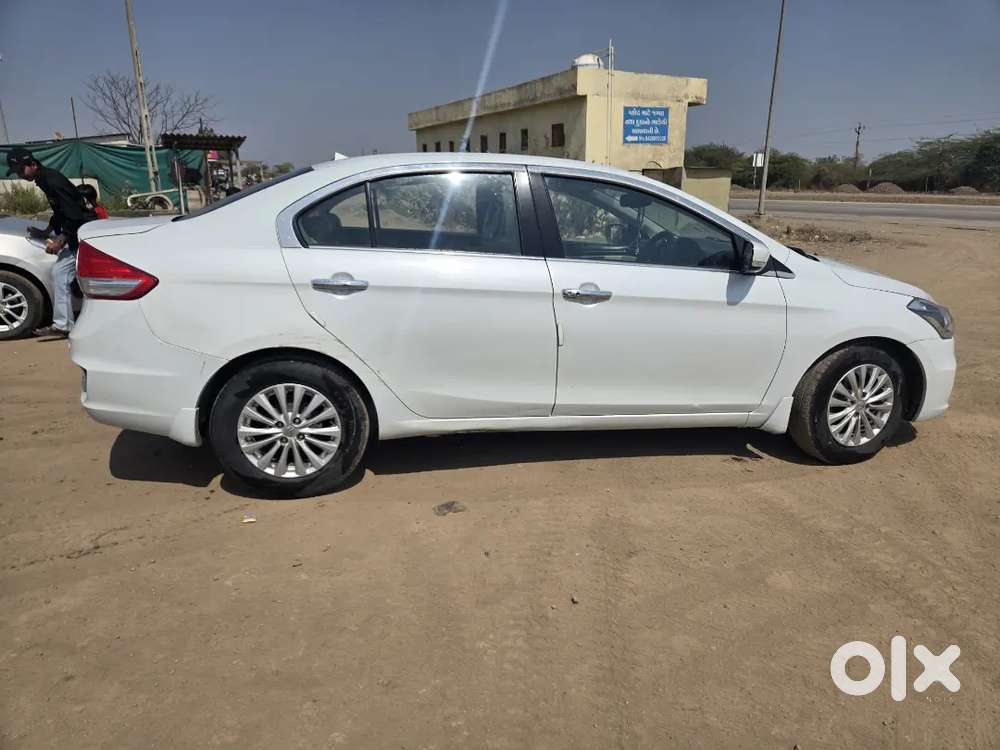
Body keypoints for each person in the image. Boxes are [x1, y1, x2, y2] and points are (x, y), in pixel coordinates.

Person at [5, 147, 95, 337]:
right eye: (17, 172)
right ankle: (65, 323)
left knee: (61, 273)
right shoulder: (45, 179)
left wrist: (60, 240)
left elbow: (75, 215)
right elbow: (60, 211)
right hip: (79, 233)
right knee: (62, 274)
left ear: (32, 164)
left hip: (82, 234)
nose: (20, 175)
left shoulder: (52, 180)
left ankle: (64, 324)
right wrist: (46, 231)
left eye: (21, 170)